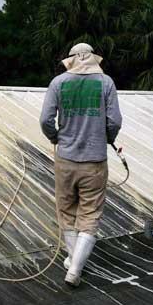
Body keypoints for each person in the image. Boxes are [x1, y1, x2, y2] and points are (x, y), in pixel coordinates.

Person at [39, 42, 122, 287]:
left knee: (66, 211)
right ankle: (74, 270)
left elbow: (45, 119)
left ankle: (73, 261)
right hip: (95, 162)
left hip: (65, 159)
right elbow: (115, 120)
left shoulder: (58, 83)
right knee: (90, 214)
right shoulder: (106, 82)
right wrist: (107, 138)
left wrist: (55, 137)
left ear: (71, 59)